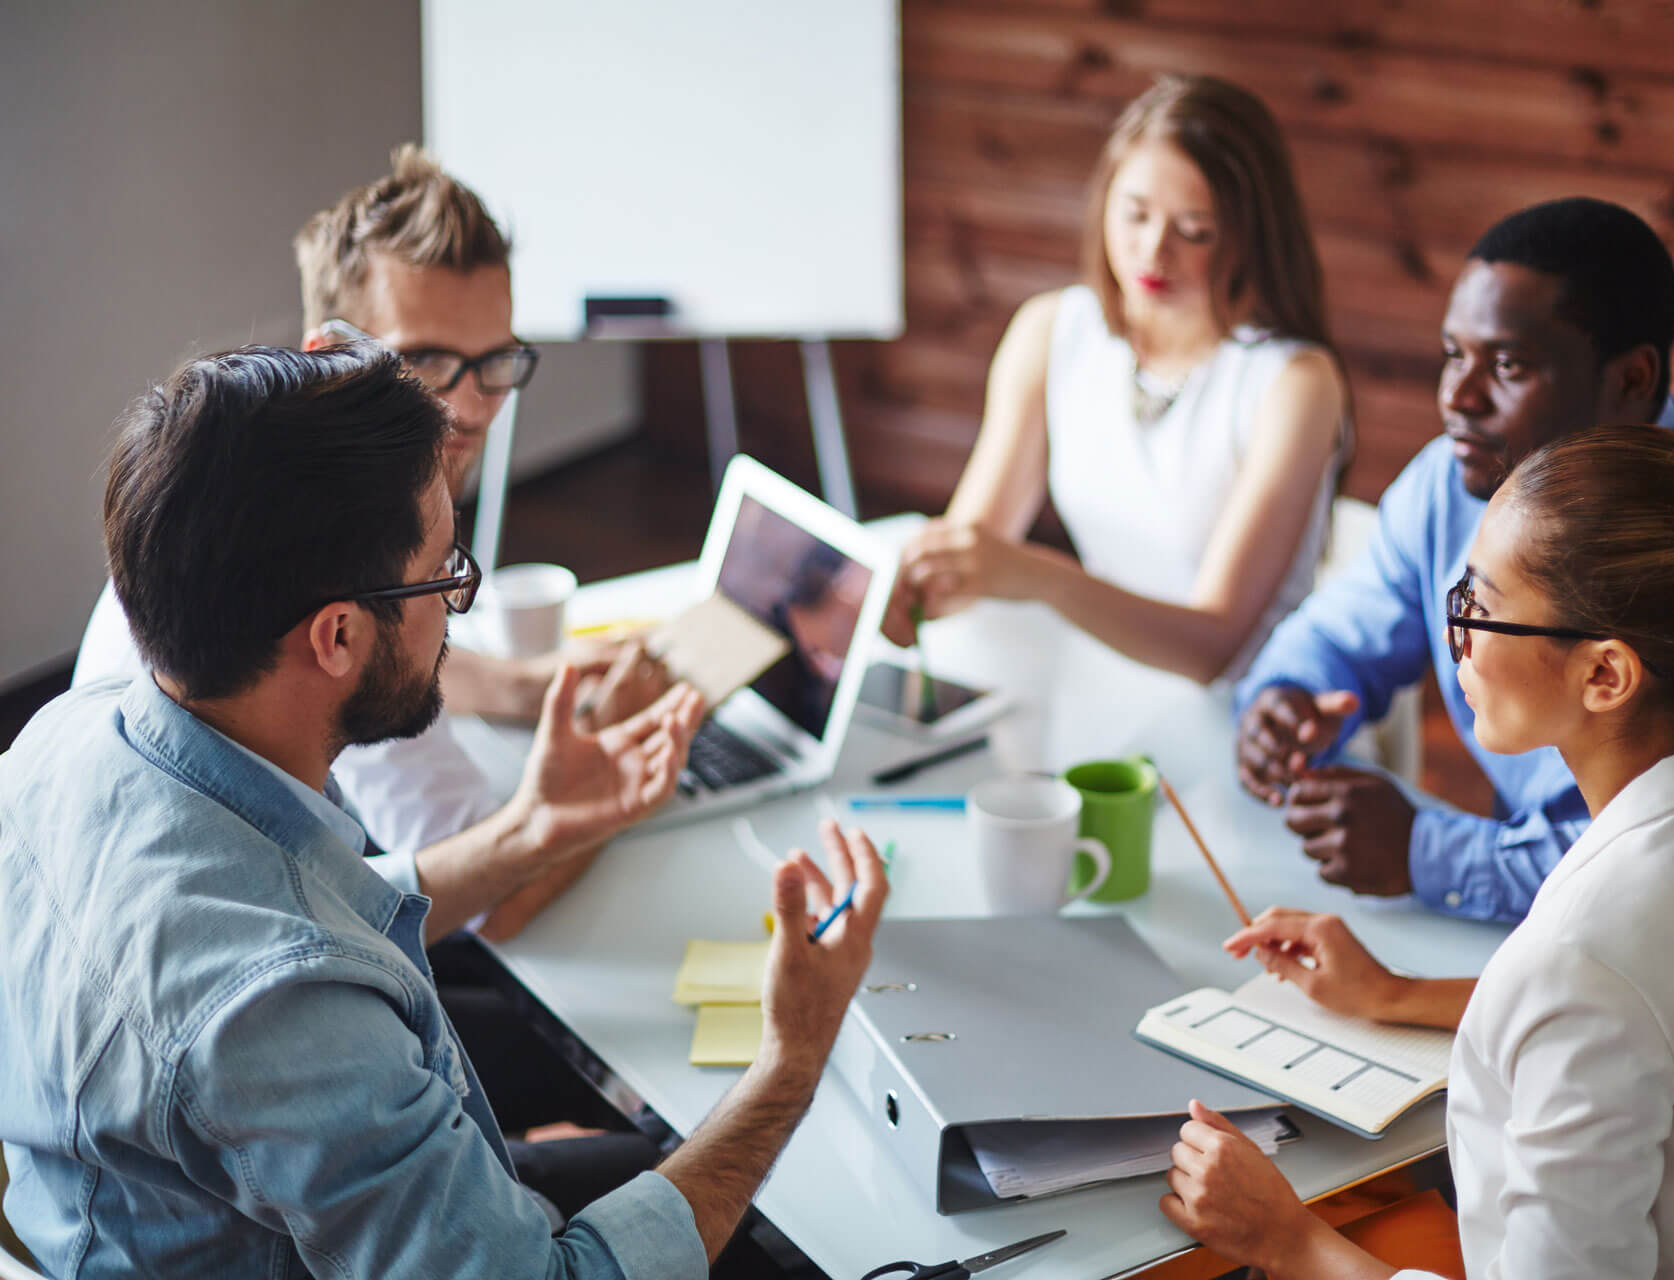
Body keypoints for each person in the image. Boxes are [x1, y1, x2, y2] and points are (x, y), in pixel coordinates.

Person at [0, 344, 889, 1277]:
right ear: (337, 635)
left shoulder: (72, 735)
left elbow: (277, 910)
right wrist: (793, 1058)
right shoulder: (282, 1012)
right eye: (444, 574)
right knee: (789, 1232)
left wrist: (534, 829)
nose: (456, 607)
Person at [1164, 424, 1674, 1277]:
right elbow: (1659, 1024)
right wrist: (1393, 992)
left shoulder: (1589, 953)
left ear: (1604, 675)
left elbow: (1605, 996)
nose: (1454, 630)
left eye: (1482, 606)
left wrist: (1286, 1238)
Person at [73, 144, 659, 931]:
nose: (472, 408)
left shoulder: (223, 484)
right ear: (331, 355)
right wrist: (611, 768)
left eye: (493, 361)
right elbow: (491, 901)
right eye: (425, 360)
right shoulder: (343, 566)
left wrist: (530, 687)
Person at [1235, 197, 1674, 921]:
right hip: (1567, 931)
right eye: (1452, 355)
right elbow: (1343, 630)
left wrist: (1430, 853)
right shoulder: (1451, 480)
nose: (1456, 397)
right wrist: (1284, 699)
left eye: (1506, 364)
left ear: (1630, 379)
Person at [886, 74, 1349, 684]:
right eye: (1134, 214)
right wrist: (898, 594)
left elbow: (1212, 647)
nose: (1154, 252)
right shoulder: (1052, 330)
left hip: (1254, 714)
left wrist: (1035, 575)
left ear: (1249, 236)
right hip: (1106, 679)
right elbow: (974, 551)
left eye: (1194, 232)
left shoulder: (1295, 384)